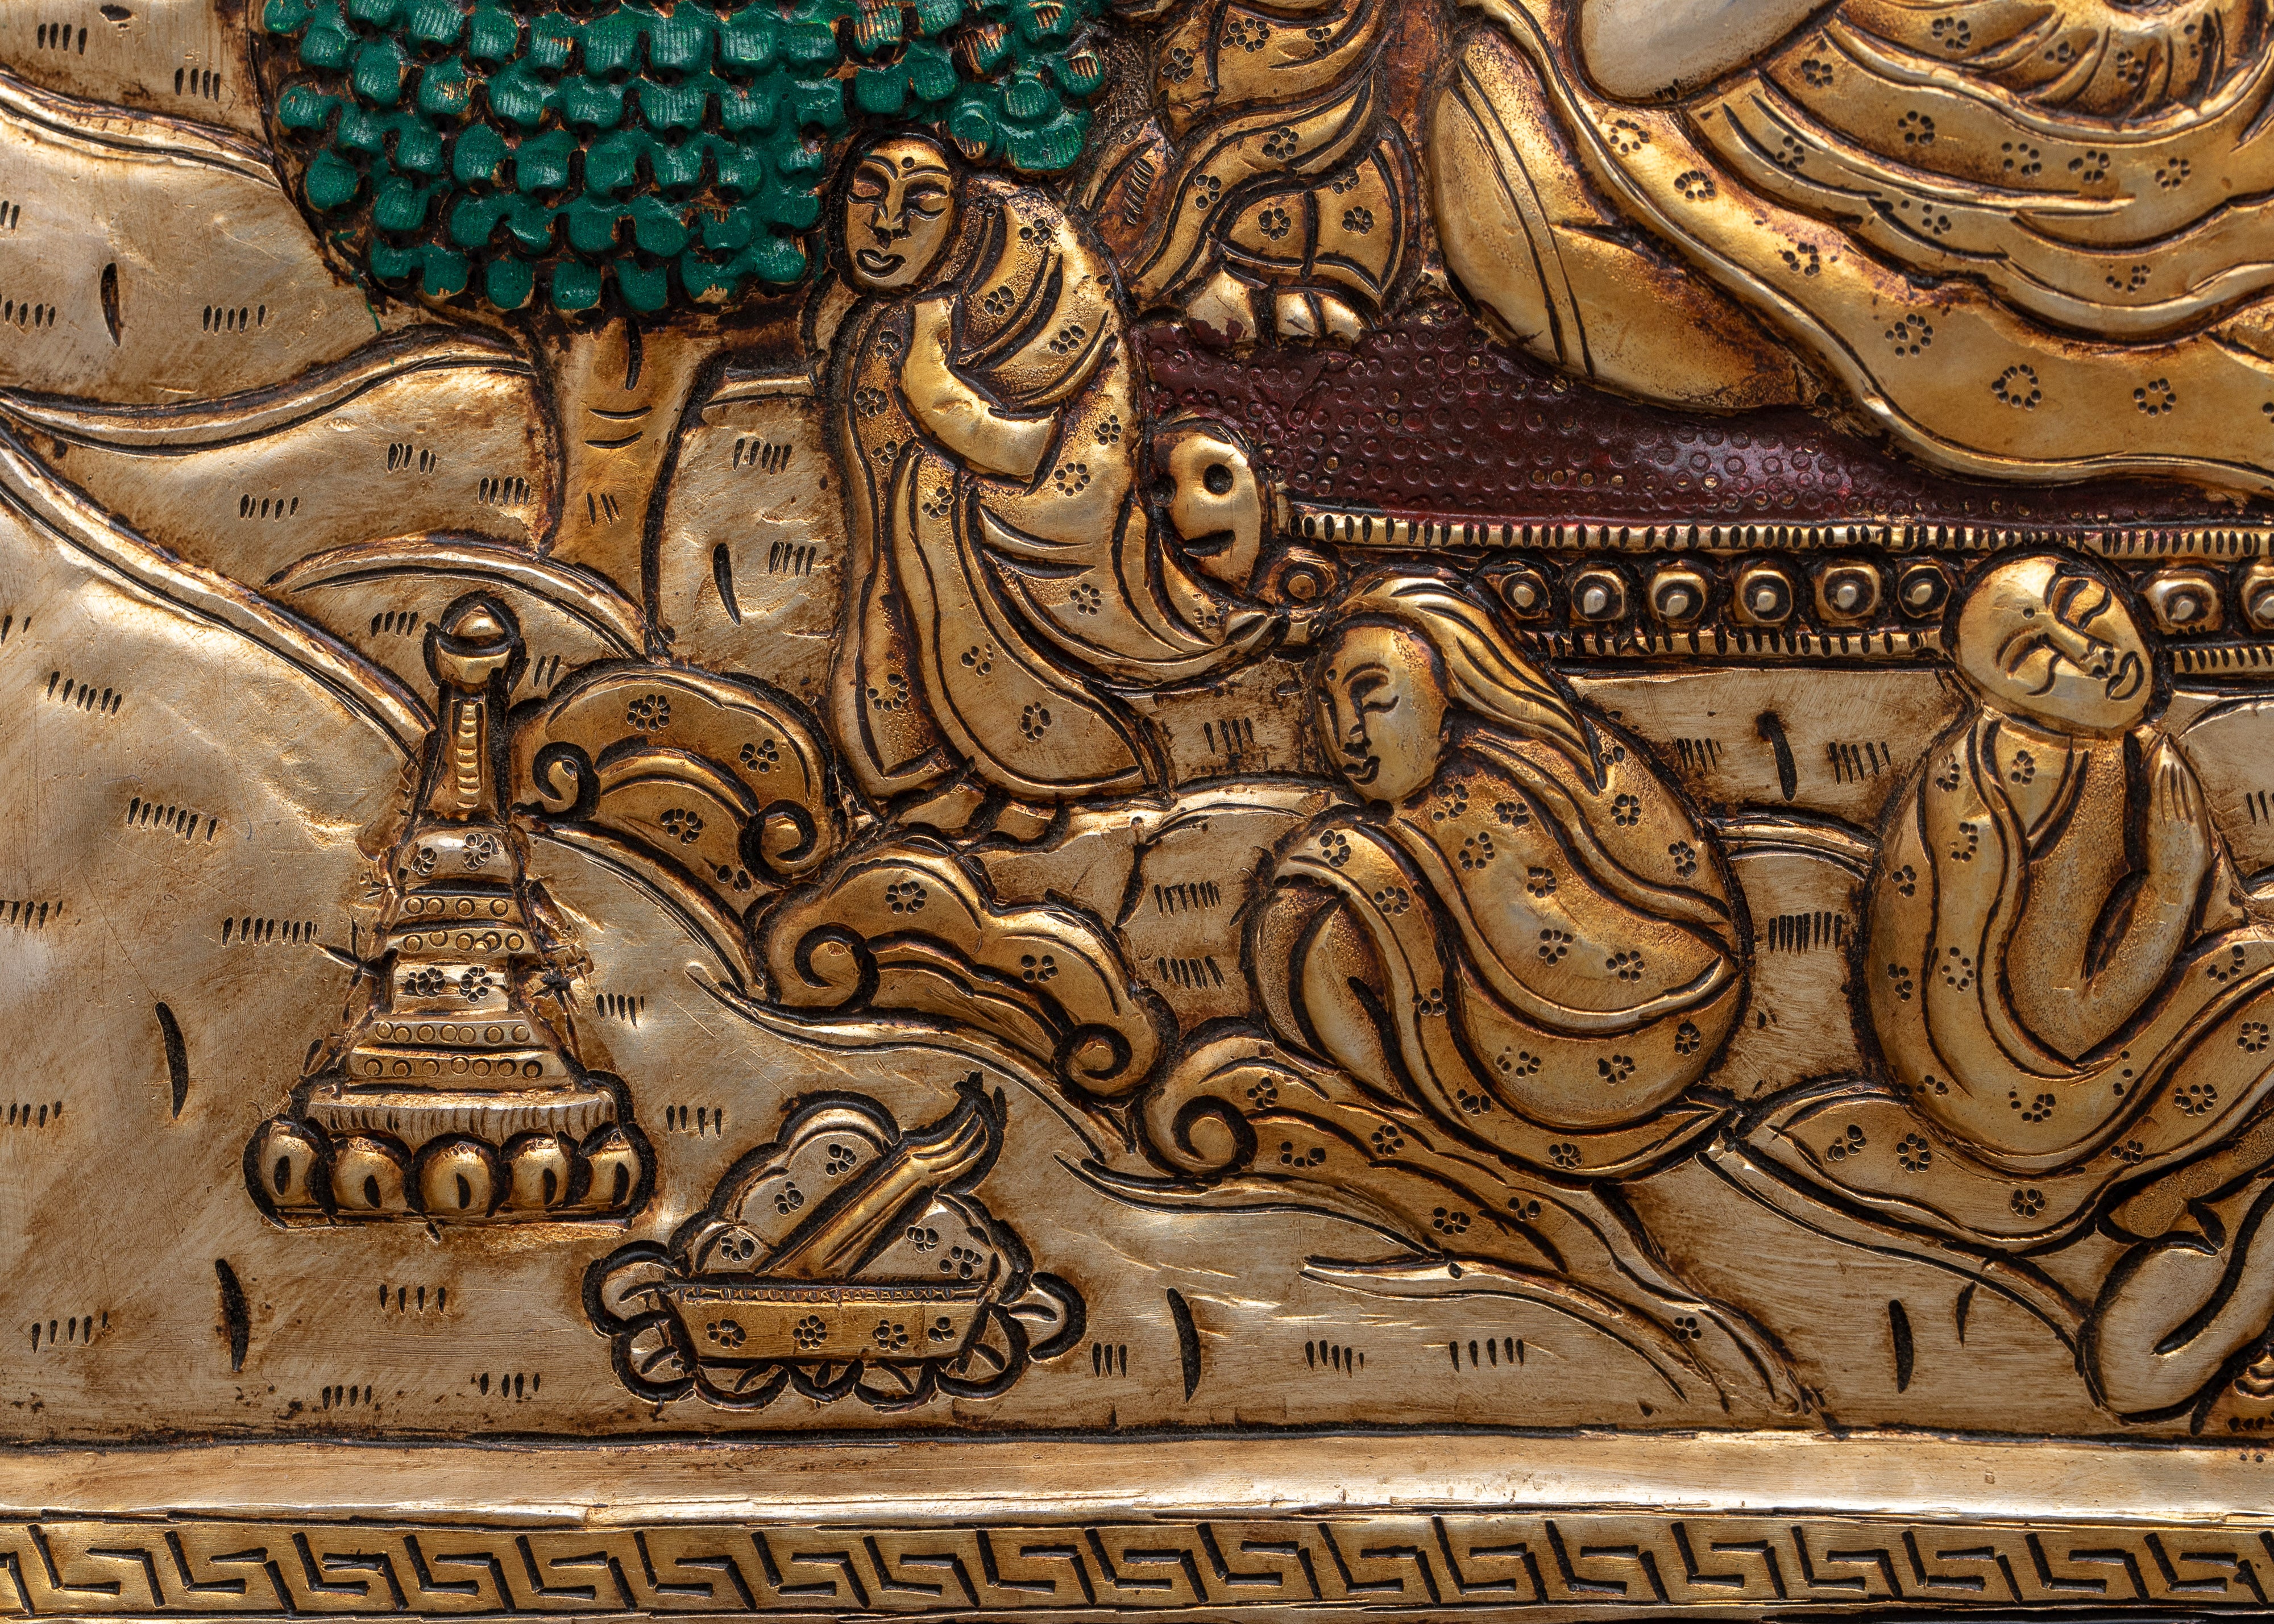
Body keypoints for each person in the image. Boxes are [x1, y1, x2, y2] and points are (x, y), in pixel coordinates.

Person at [1749, 553, 2274, 1414]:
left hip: (2107, 1031)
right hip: (2016, 1093)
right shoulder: (1994, 788)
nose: (2088, 649)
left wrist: (2189, 902)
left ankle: (2192, 1223)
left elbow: (2217, 935)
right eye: (2035, 657)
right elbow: (2066, 1024)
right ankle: (2190, 1280)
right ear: (1997, 696)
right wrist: (2170, 885)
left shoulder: (2137, 751)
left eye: (2082, 601)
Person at [820, 132, 1272, 840]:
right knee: (895, 608)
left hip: (987, 525)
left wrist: (928, 378)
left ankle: (1022, 787)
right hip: (903, 549)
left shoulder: (1028, 306)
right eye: (868, 190)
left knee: (972, 634)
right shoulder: (890, 323)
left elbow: (1024, 453)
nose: (885, 223)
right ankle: (926, 773)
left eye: (922, 203)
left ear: (964, 221)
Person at [1250, 574, 1746, 1174]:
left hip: (1634, 1036)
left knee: (1330, 918)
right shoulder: (1439, 792)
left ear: (1448, 697)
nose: (1348, 734)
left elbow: (1552, 943)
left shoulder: (1492, 782)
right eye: (1329, 707)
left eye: (1375, 698)